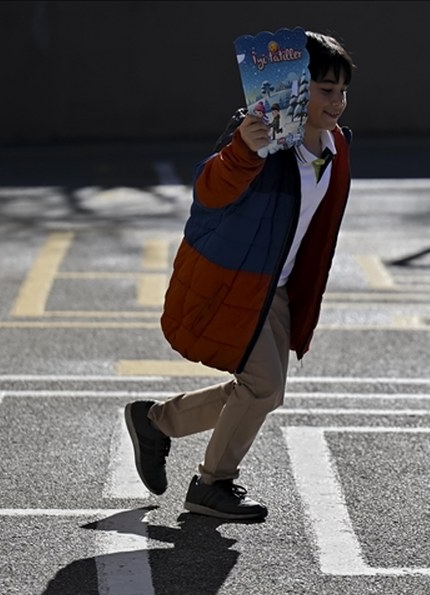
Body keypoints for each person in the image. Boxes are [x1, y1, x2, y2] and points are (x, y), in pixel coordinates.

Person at [123, 31, 355, 520]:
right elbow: (210, 190)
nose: (336, 101)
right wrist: (243, 151)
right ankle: (212, 484)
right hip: (236, 281)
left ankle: (155, 422)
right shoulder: (261, 135)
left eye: (341, 91)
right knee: (264, 388)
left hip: (279, 287)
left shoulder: (336, 146)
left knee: (261, 390)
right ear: (296, 87)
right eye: (324, 89)